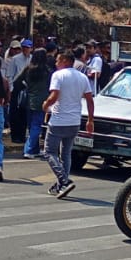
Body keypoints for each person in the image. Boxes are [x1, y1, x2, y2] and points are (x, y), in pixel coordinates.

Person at [40, 47, 95, 199]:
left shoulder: (58, 75)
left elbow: (54, 95)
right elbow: (90, 100)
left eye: (58, 60)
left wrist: (46, 104)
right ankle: (61, 185)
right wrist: (90, 120)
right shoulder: (82, 77)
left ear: (65, 61)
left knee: (49, 151)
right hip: (74, 121)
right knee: (66, 153)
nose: (56, 63)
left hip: (59, 120)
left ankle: (64, 180)